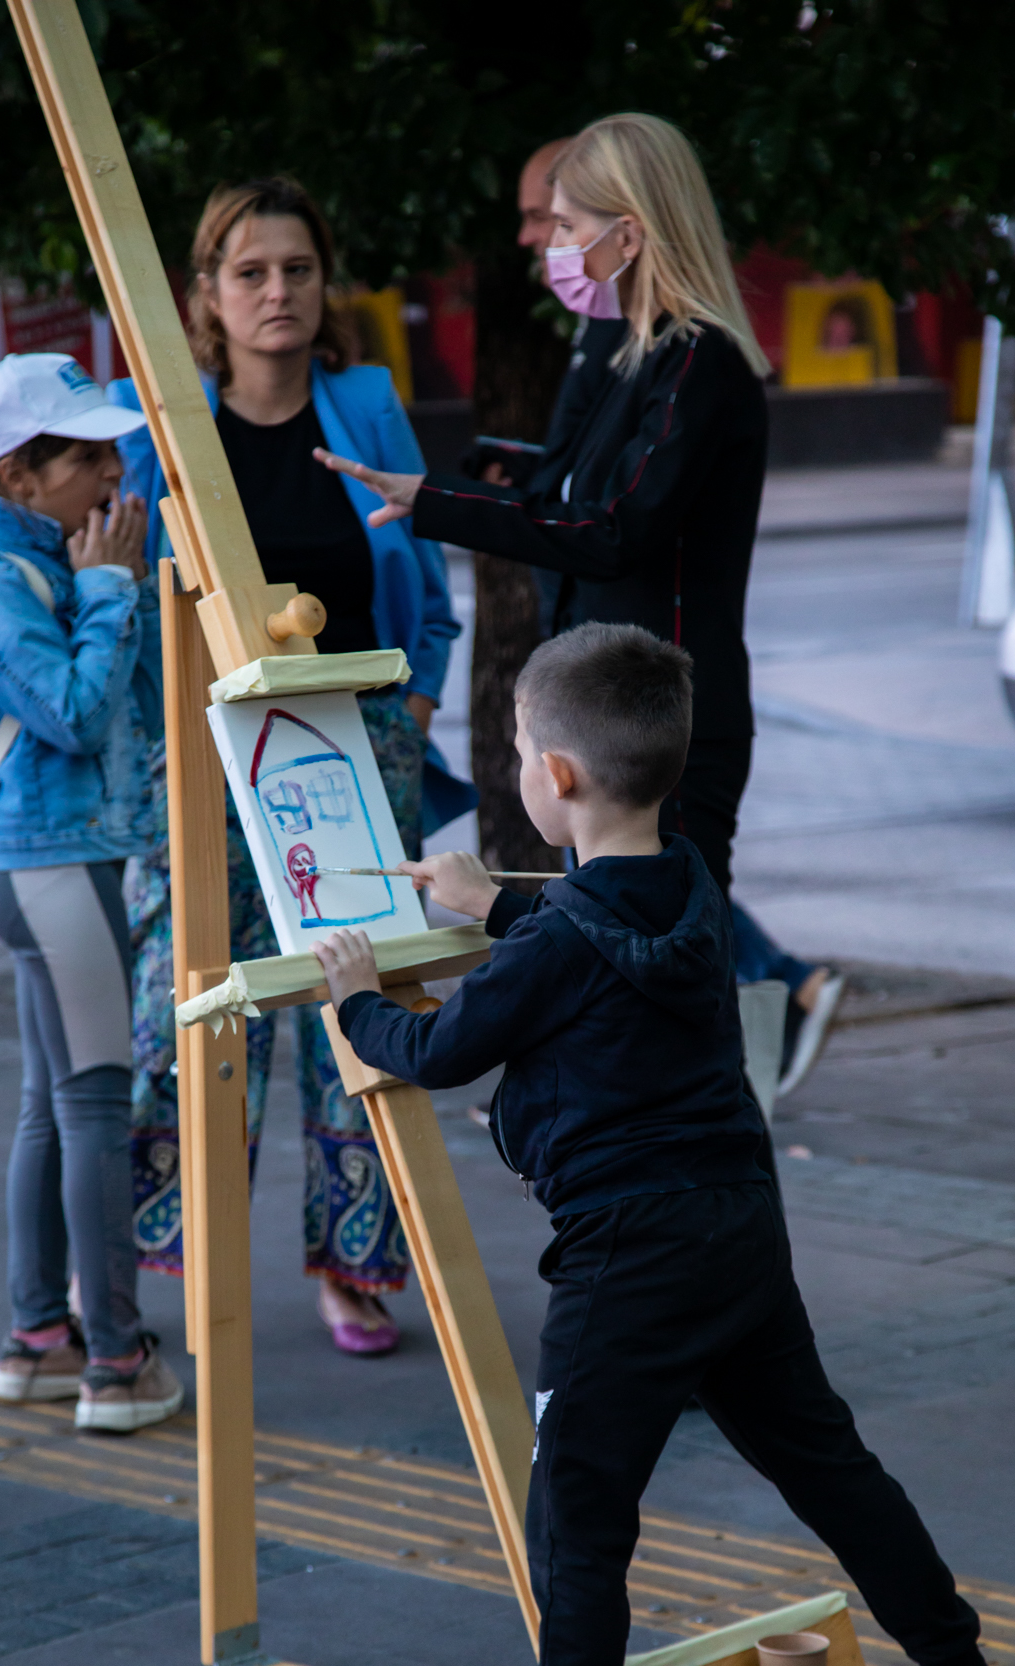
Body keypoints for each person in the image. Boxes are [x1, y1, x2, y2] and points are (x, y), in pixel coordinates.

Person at [315, 623, 1014, 1666]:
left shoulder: (551, 943)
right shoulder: (690, 882)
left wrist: (353, 992)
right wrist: (495, 899)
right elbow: (595, 923)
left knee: (580, 1530)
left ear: (559, 780)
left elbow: (434, 1047)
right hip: (736, 1231)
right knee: (828, 1463)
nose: (518, 771)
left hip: (623, 1262)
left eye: (522, 752)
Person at [320, 114, 844, 1094]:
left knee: (671, 972)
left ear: (630, 233)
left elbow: (610, 527)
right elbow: (567, 494)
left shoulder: (700, 363)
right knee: (619, 944)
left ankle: (688, 1148)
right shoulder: (623, 350)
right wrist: (454, 490)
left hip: (669, 720)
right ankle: (636, 1143)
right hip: (617, 707)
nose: (553, 248)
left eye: (566, 227)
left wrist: (434, 503)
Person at [109, 175, 462, 1355]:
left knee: (356, 1008)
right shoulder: (167, 421)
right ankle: (176, 1255)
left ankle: (357, 1267)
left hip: (362, 753)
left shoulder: (364, 399)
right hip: (204, 765)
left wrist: (414, 699)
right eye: (249, 271)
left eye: (296, 269)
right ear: (206, 292)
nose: (276, 291)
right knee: (198, 1010)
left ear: (325, 283)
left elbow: (425, 580)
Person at [0, 352, 181, 1433]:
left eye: (112, 445)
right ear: (19, 476)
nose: (113, 468)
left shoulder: (42, 561)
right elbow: (72, 710)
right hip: (50, 867)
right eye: (85, 452)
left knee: (53, 1102)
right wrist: (115, 587)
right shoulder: (0, 581)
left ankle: (36, 1340)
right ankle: (115, 1361)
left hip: (49, 867)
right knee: (89, 1109)